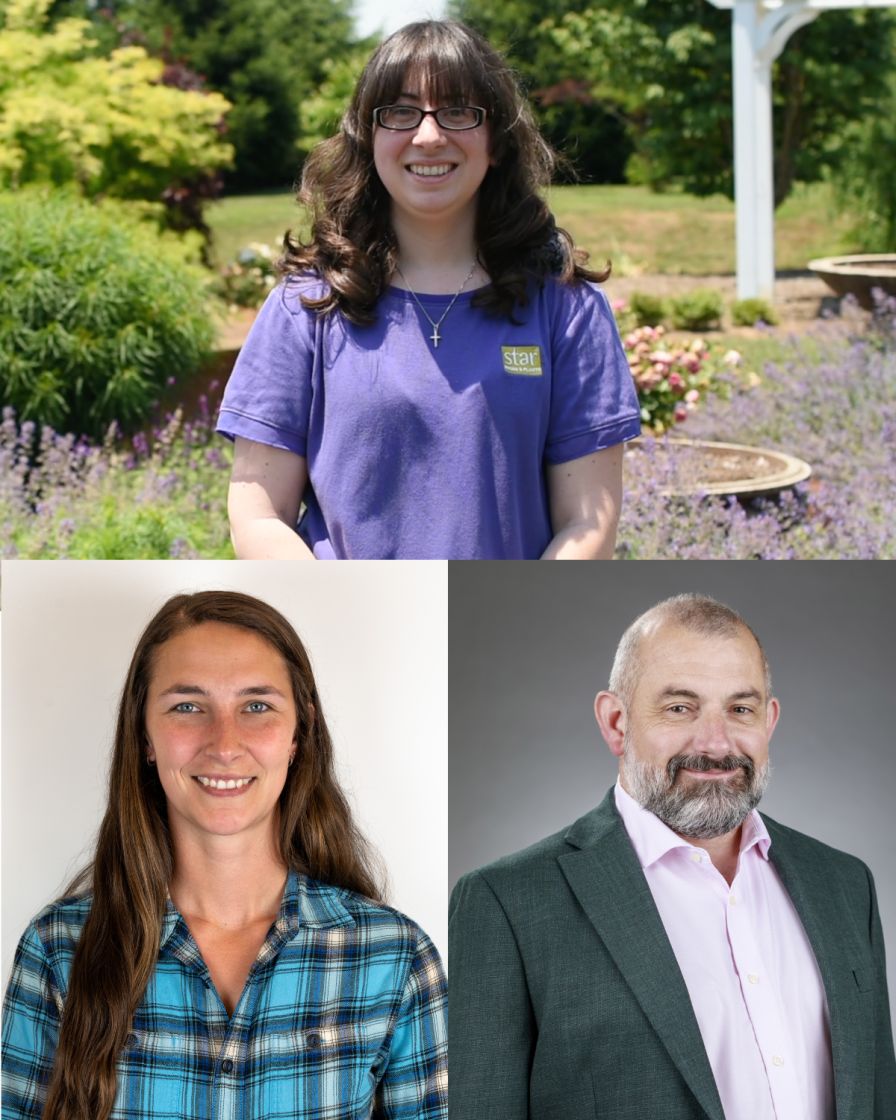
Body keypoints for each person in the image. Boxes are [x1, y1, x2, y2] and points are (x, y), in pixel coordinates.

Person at [2, 591, 447, 1120]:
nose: (225, 743)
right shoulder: (57, 952)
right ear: (144, 734)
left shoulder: (393, 957)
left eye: (256, 706)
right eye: (187, 707)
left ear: (298, 733)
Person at [449, 593, 895, 1119]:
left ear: (769, 722)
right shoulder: (508, 904)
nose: (714, 742)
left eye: (740, 709)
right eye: (680, 708)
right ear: (616, 722)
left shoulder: (845, 885)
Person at [216, 20, 641, 560]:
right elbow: (258, 512)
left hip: (496, 633)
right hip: (348, 632)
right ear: (368, 137)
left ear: (498, 142)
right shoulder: (306, 307)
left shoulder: (567, 311)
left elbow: (588, 522)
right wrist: (336, 620)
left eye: (459, 111)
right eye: (400, 111)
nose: (429, 135)